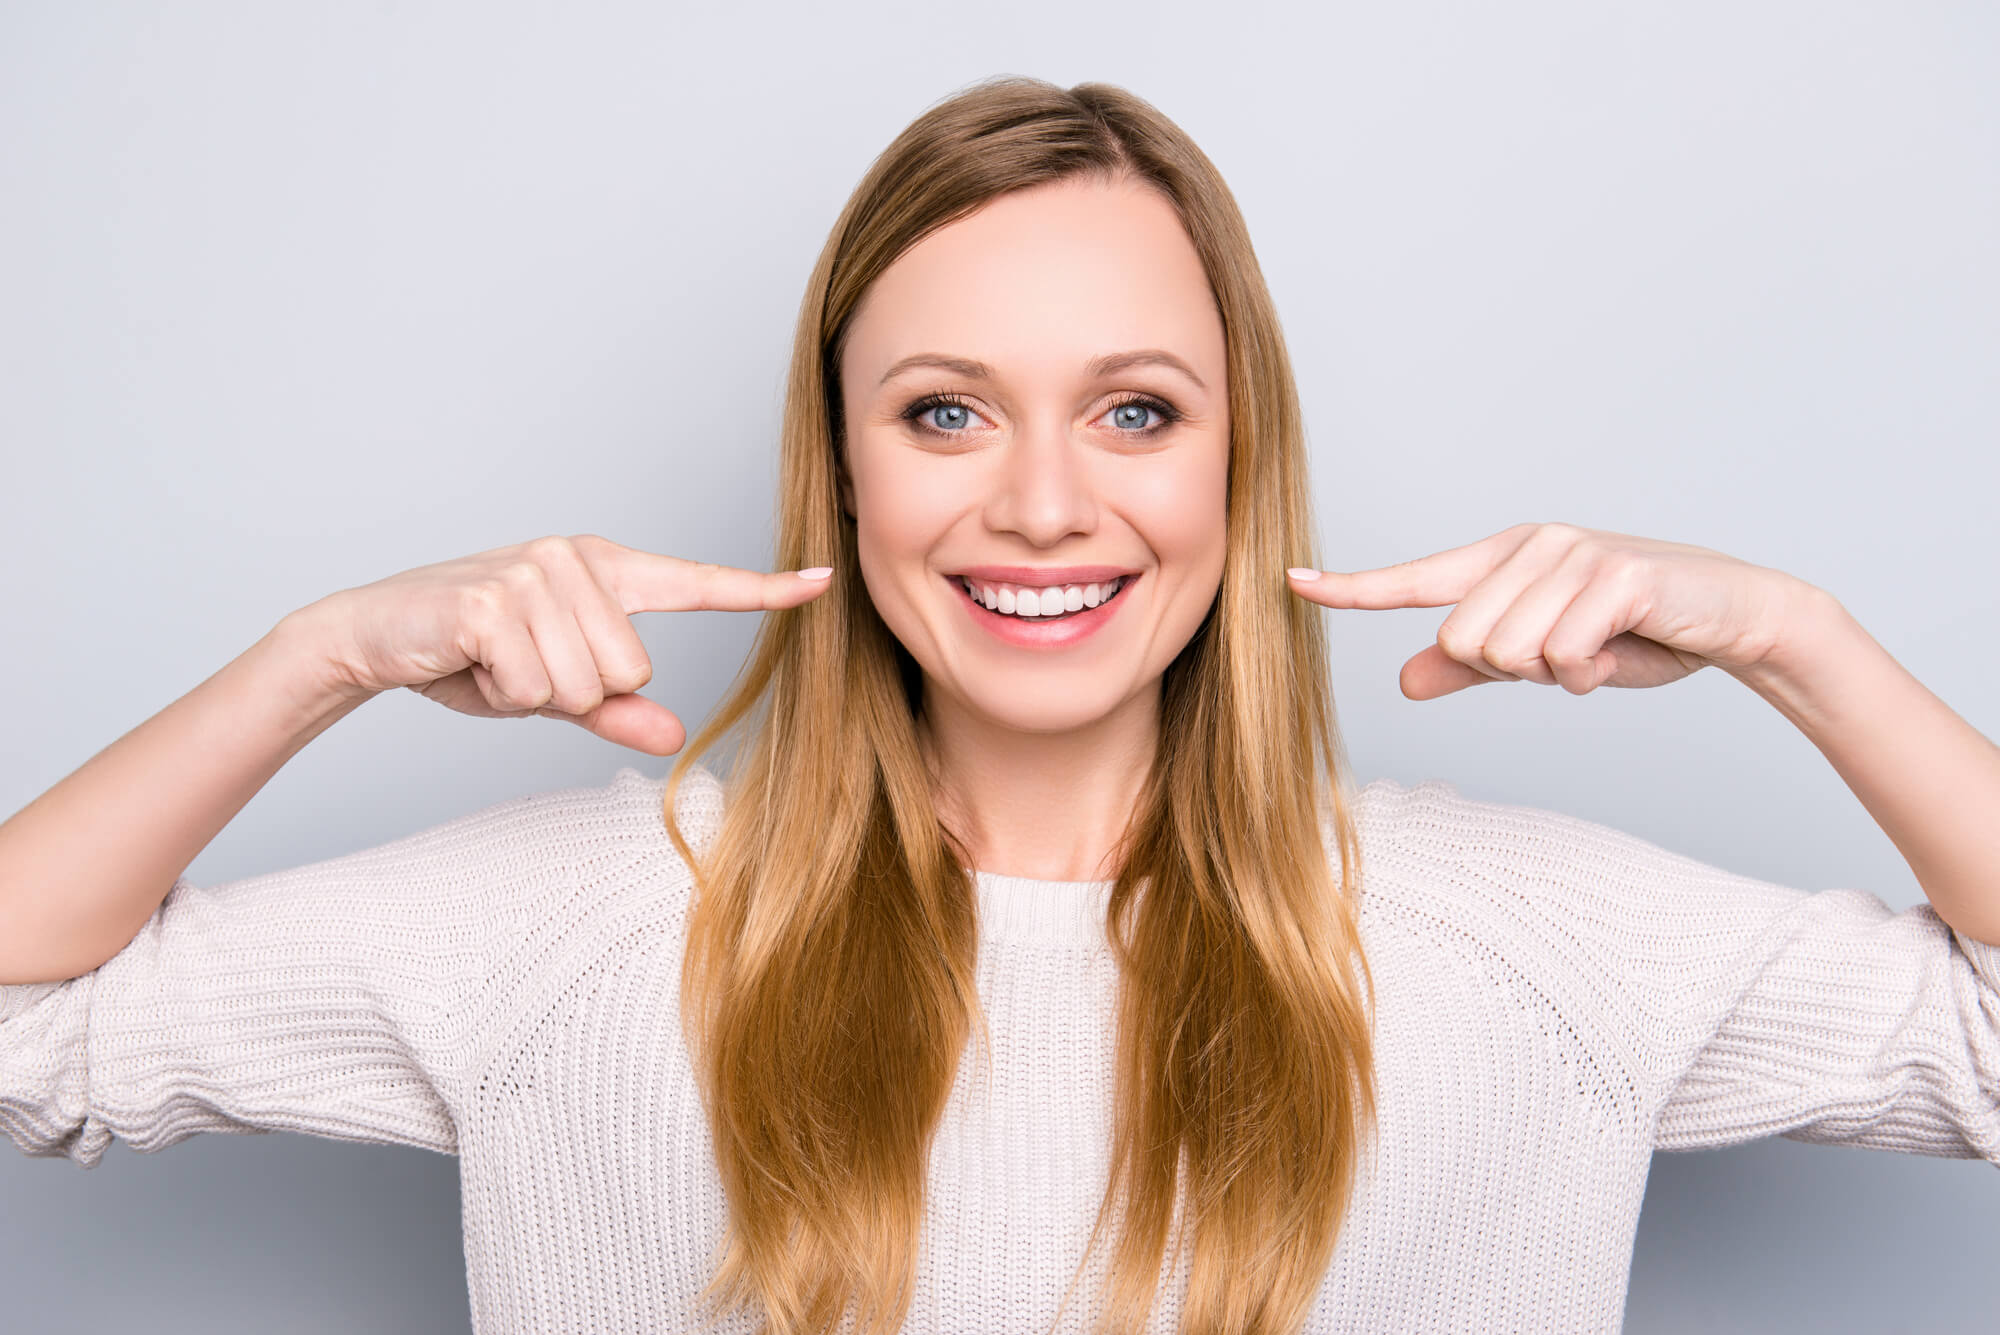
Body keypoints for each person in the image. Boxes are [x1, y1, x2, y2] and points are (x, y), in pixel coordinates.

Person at [2, 74, 1996, 1335]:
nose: (1043, 498)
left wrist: (1794, 635)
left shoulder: (1527, 937)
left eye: (1135, 410)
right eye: (944, 411)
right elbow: (31, 1034)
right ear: (846, 471)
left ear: (1239, 466)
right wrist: (319, 657)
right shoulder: (578, 923)